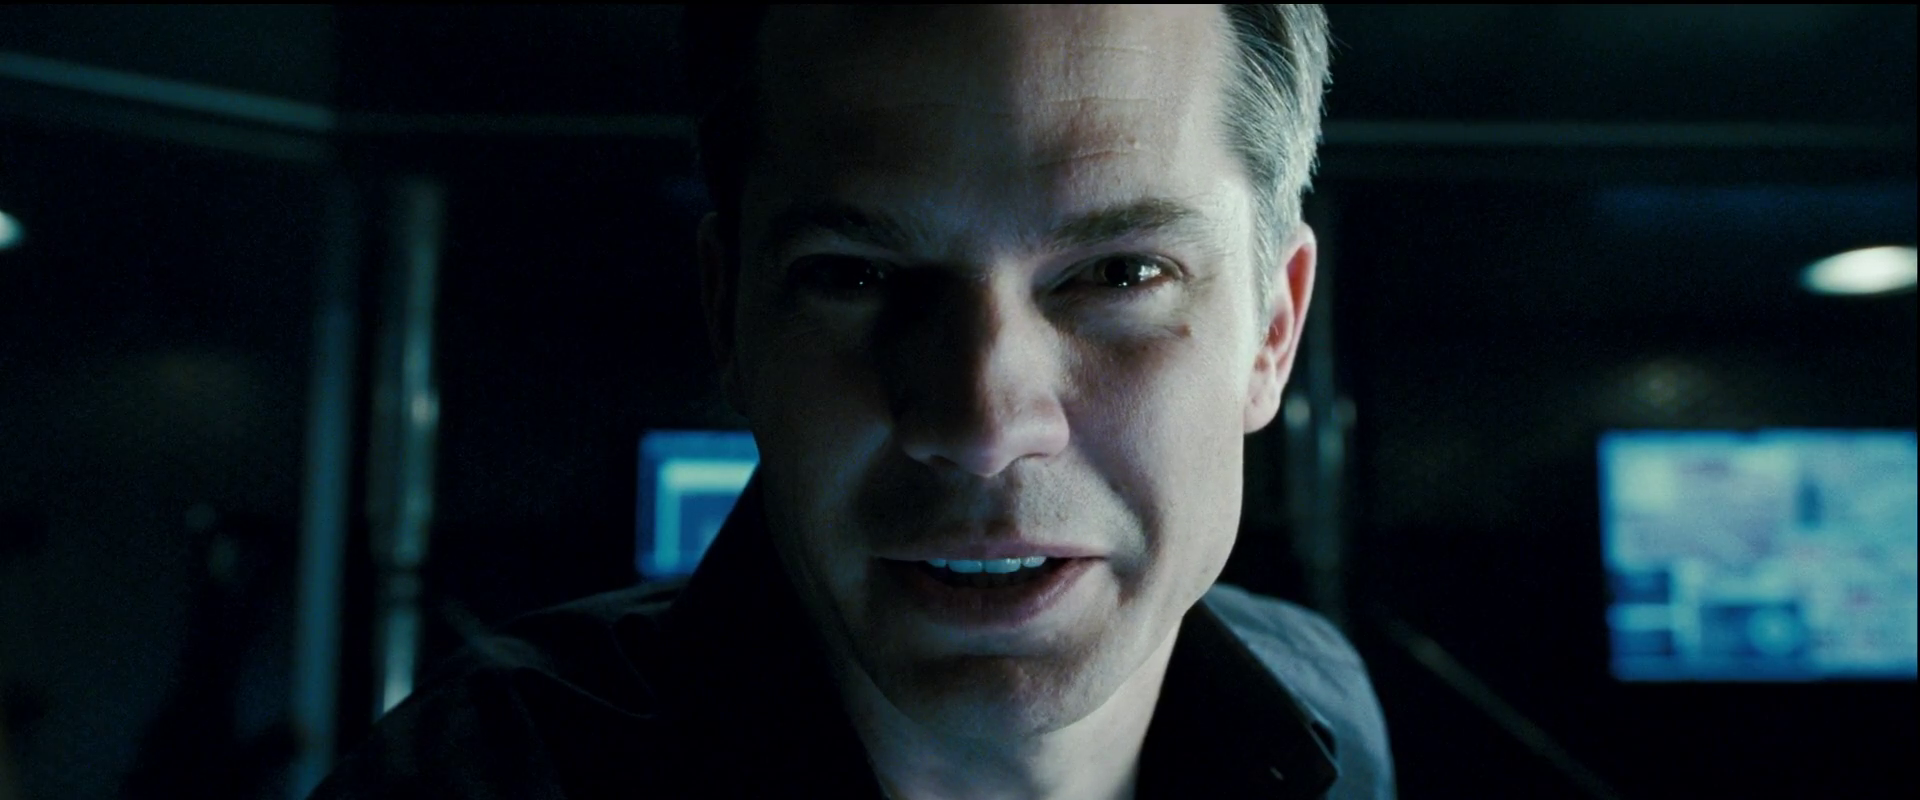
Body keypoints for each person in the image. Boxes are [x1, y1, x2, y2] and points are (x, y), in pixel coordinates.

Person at [311, 5, 1393, 798]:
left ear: (1272, 332)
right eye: (857, 275)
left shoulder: (1330, 708)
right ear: (729, 318)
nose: (982, 426)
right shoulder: (470, 782)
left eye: (1119, 274)